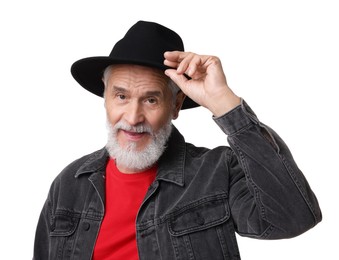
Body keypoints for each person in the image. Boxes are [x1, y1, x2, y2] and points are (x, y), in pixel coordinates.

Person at [33, 20, 321, 260]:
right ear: (105, 98)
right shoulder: (69, 183)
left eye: (151, 99)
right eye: (121, 96)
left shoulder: (217, 171)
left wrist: (224, 103)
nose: (133, 117)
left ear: (175, 105)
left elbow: (293, 217)